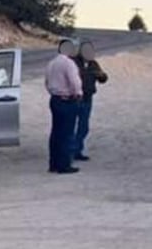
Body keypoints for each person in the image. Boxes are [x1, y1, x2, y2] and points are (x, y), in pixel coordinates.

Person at [45, 39, 83, 174]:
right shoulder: (69, 63)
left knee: (56, 133)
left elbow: (47, 82)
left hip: (55, 99)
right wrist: (78, 94)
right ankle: (64, 165)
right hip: (67, 100)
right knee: (67, 133)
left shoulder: (51, 63)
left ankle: (53, 163)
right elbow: (75, 83)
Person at [72, 40, 109, 161]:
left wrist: (101, 75)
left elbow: (103, 79)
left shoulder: (93, 64)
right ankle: (70, 150)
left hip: (88, 98)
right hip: (74, 98)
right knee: (71, 126)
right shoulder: (73, 62)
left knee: (84, 126)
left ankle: (77, 150)